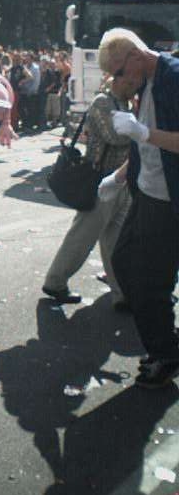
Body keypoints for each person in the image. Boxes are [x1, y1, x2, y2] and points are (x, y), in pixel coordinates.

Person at [97, 28, 179, 389]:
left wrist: (143, 133)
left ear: (134, 56)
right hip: (145, 190)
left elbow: (150, 137)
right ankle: (164, 337)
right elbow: (140, 146)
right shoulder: (144, 82)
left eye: (117, 71)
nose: (117, 80)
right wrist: (117, 177)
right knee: (123, 262)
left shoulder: (172, 78)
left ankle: (167, 354)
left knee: (150, 283)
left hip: (168, 198)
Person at [42, 71, 131, 307]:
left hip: (121, 180)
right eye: (131, 80)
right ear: (118, 79)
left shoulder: (125, 103)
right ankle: (55, 282)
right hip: (101, 180)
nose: (135, 85)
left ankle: (122, 293)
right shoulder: (102, 102)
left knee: (117, 241)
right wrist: (143, 130)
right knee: (82, 238)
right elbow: (115, 136)